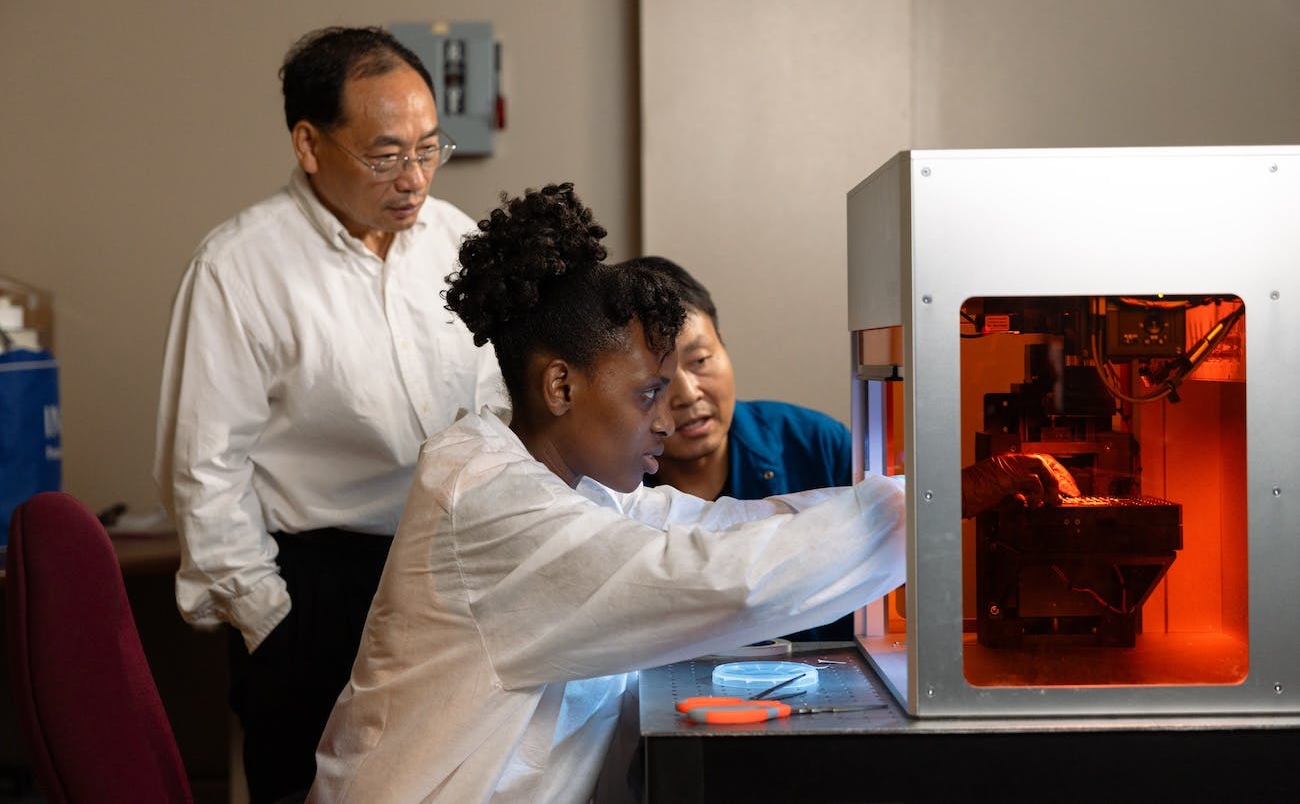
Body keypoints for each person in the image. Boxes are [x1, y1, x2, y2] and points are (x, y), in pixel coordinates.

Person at [308, 182, 1075, 803]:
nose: (669, 413)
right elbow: (716, 580)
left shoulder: (567, 484)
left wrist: (942, 492)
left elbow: (715, 531)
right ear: (561, 386)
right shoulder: (489, 502)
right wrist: (939, 505)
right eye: (646, 393)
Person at [153, 26, 504, 803]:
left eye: (427, 148)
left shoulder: (456, 241)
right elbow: (204, 469)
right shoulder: (239, 266)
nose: (413, 176)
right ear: (309, 144)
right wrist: (271, 622)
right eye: (384, 155)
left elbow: (498, 405)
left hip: (453, 572)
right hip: (317, 588)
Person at [626, 255, 853, 642]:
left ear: (724, 346)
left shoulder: (817, 445)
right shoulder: (609, 486)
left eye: (699, 360)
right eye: (656, 380)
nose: (687, 394)